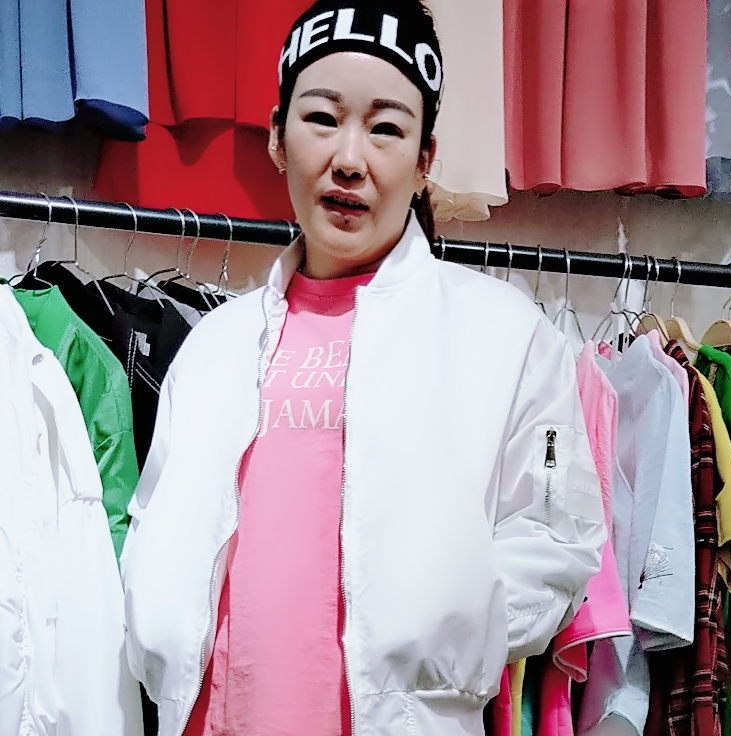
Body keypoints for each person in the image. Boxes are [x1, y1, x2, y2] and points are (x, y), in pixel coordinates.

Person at [120, 2, 606, 736]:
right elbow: (153, 521)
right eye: (322, 118)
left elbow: (558, 537)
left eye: (386, 129)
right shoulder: (215, 344)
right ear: (277, 137)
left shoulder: (505, 337)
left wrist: (439, 638)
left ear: (425, 159)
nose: (350, 158)